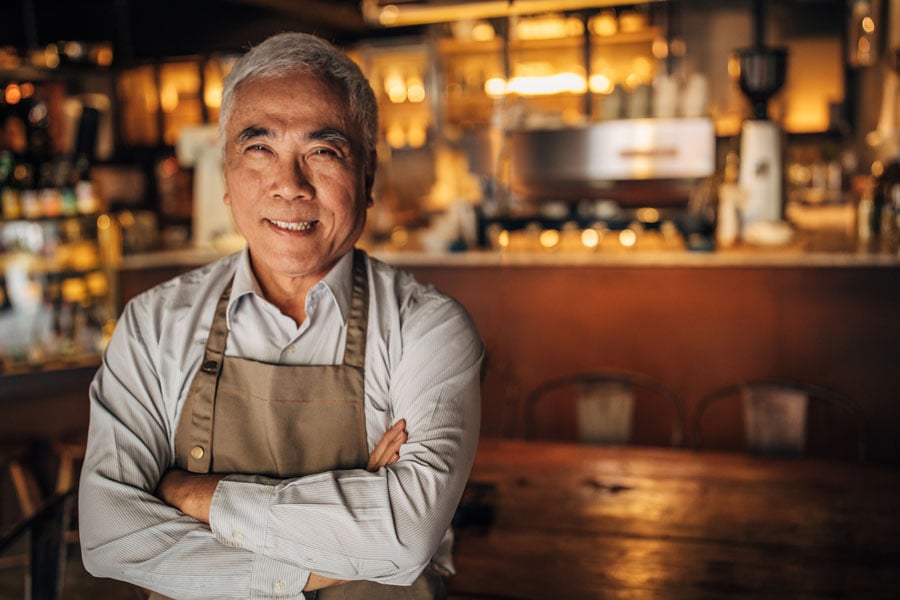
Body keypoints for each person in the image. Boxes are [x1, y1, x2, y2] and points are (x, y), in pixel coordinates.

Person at [79, 31, 483, 600]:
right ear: (226, 177)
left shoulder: (427, 328)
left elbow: (405, 535)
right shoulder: (153, 325)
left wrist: (194, 495)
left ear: (367, 178)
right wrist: (341, 543)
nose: (289, 186)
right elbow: (109, 538)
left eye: (323, 152)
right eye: (259, 148)